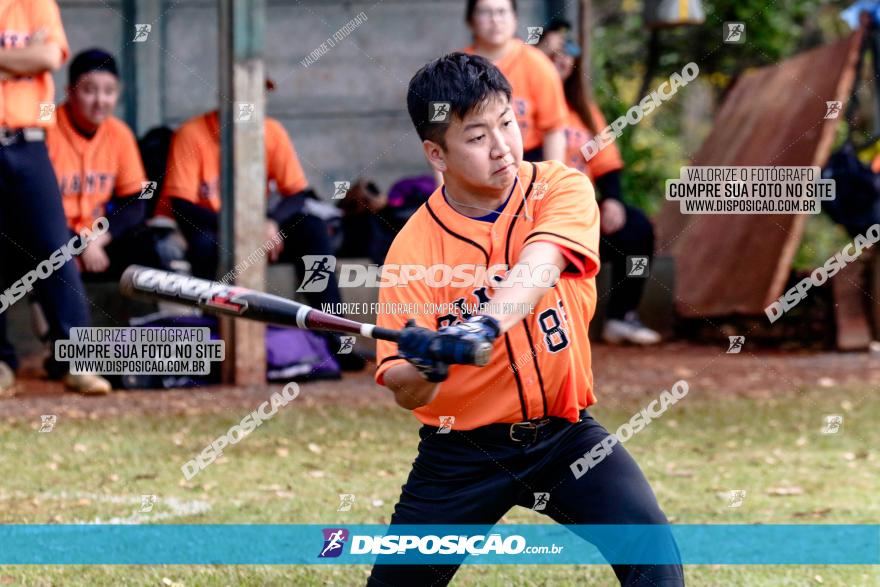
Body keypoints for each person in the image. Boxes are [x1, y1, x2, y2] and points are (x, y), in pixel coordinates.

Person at [367, 52, 683, 586]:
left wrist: (480, 327)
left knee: (653, 557)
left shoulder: (559, 187)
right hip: (461, 452)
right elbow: (403, 388)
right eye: (475, 137)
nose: (502, 147)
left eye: (508, 123)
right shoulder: (412, 248)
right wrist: (427, 364)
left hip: (565, 437)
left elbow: (539, 267)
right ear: (436, 153)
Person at [155, 103, 364, 370]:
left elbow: (297, 193)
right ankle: (213, 344)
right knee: (204, 244)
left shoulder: (270, 130)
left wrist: (271, 221)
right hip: (210, 227)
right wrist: (243, 229)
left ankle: (334, 337)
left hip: (259, 230)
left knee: (313, 229)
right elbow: (182, 206)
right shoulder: (192, 133)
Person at [0, 0, 111, 394]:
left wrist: (18, 58)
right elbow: (32, 57)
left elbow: (48, 55)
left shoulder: (35, 2)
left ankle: (78, 360)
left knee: (53, 247)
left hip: (28, 142)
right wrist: (18, 58)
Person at [538, 20, 661, 345]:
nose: (561, 58)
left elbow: (607, 164)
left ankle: (622, 317)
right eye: (552, 51)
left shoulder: (585, 111)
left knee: (636, 229)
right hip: (538, 213)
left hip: (583, 214)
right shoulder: (522, 109)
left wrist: (612, 199)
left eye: (568, 51)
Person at [46, 48, 171, 280]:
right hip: (54, 235)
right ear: (69, 92)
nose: (100, 101)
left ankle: (140, 318)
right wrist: (78, 243)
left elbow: (136, 202)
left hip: (98, 237)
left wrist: (98, 238)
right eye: (89, 91)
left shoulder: (119, 133)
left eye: (109, 91)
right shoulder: (46, 130)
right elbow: (34, 206)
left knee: (150, 249)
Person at [460, 0, 567, 163]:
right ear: (470, 21)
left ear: (515, 18)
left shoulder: (538, 63)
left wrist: (550, 181)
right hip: (473, 161)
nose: (495, 19)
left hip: (529, 160)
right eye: (485, 12)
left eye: (502, 12)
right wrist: (444, 185)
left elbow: (554, 129)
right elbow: (437, 130)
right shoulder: (455, 67)